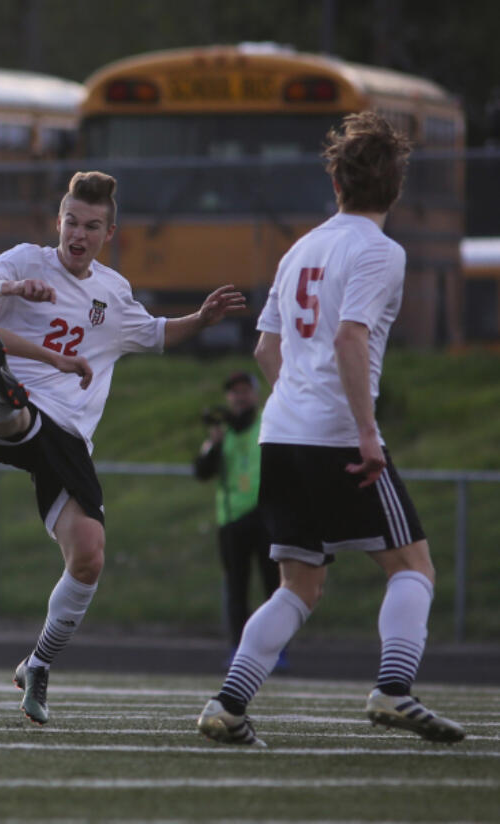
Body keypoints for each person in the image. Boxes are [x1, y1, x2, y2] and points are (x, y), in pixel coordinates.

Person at [196, 111, 465, 747]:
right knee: (413, 567)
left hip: (280, 435)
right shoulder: (380, 251)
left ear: (336, 183)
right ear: (395, 188)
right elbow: (350, 336)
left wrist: (299, 398)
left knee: (299, 585)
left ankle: (228, 704)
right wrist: (367, 434)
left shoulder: (300, 249)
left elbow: (267, 350)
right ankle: (394, 689)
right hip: (338, 436)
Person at [0, 171, 245, 725]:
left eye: (91, 226)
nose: (78, 234)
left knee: (89, 556)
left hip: (68, 441)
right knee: (13, 414)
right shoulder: (26, 261)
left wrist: (199, 320)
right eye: (71, 222)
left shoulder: (113, 292)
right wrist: (8, 290)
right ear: (57, 221)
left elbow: (154, 334)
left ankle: (37, 663)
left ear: (110, 232)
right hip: (16, 419)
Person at [193, 370, 282, 662]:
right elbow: (201, 472)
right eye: (234, 392)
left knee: (275, 588)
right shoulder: (223, 433)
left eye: (245, 391)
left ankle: (274, 650)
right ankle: (239, 650)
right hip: (232, 520)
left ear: (255, 395)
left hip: (267, 516)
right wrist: (214, 443)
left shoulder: (267, 424)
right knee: (236, 588)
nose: (240, 397)